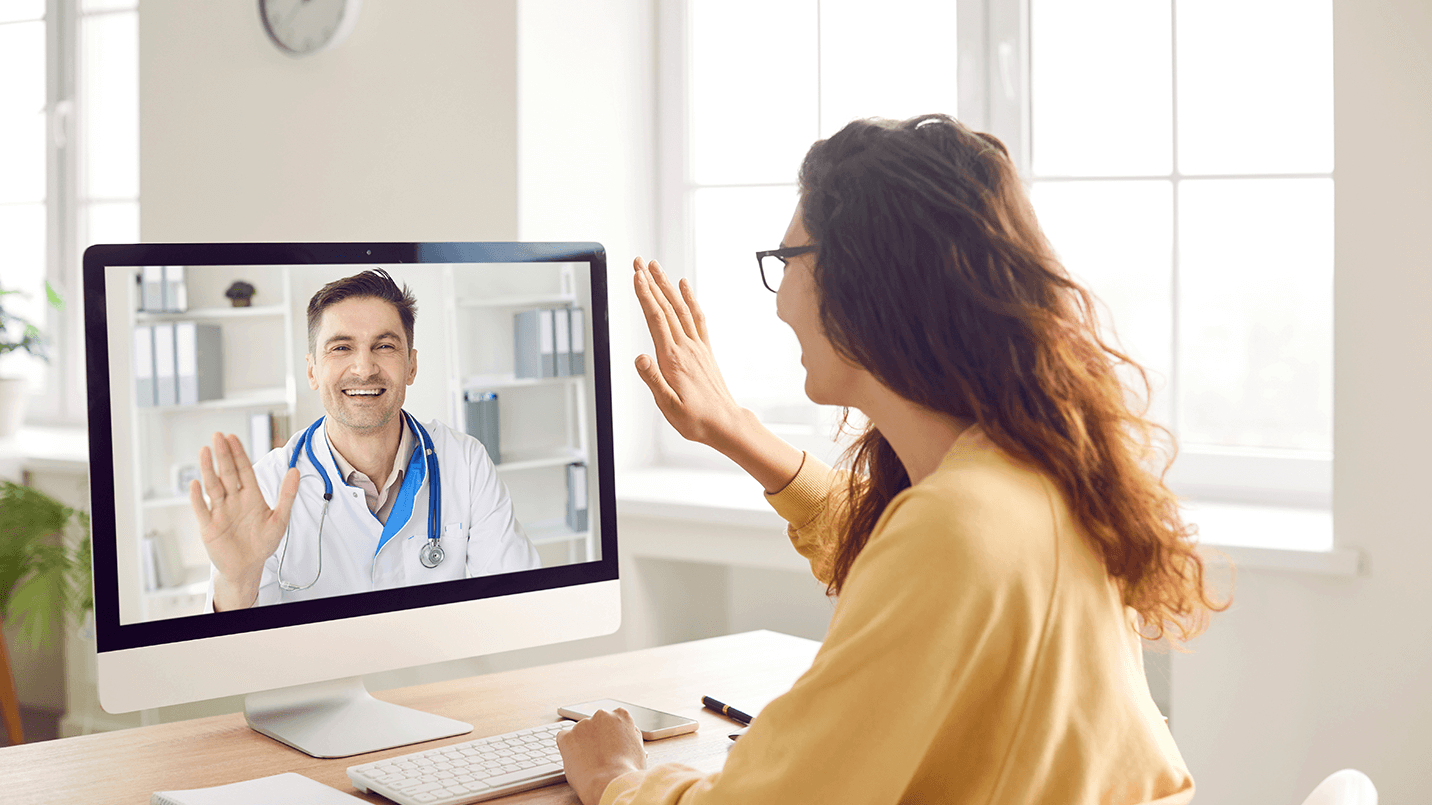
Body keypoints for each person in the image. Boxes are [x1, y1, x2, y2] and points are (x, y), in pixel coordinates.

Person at [556, 115, 1226, 804]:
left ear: (865, 278)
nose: (781, 299)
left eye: (788, 261)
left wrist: (619, 780)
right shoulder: (1029, 475)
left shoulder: (957, 527)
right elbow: (887, 542)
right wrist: (734, 430)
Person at [193, 269, 540, 611]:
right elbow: (243, 656)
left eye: (384, 345)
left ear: (411, 366)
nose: (364, 368)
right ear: (312, 370)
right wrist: (238, 581)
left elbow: (518, 603)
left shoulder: (465, 463)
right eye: (341, 347)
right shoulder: (269, 485)